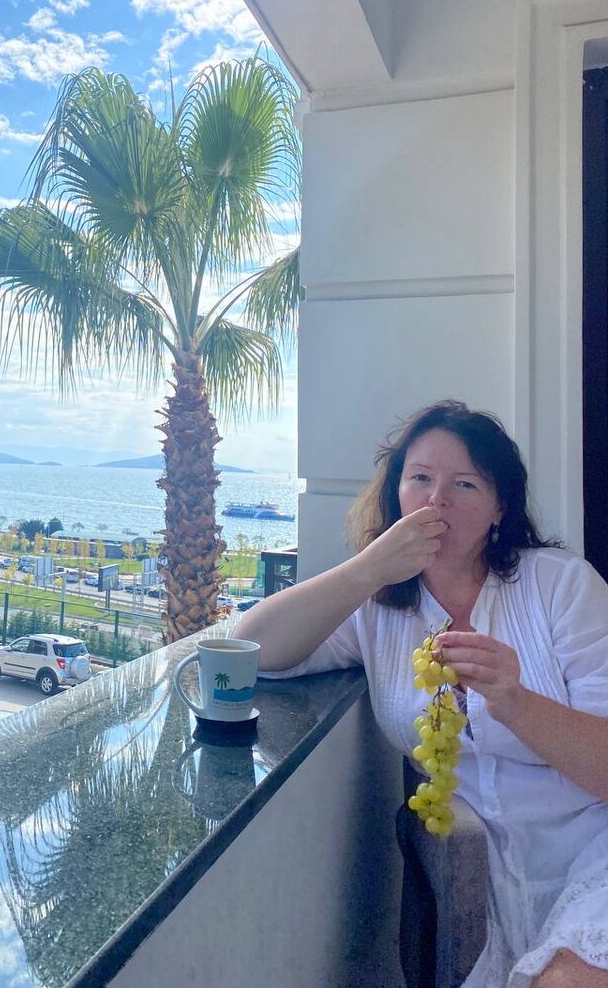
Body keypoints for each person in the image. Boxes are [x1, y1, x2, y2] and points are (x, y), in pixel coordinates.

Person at [236, 400, 608, 988]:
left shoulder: (560, 586)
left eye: (465, 484)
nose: (438, 501)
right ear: (396, 496)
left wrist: (514, 700)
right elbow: (250, 649)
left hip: (594, 847)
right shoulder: (378, 608)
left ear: (500, 507)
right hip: (491, 880)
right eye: (420, 479)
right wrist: (367, 569)